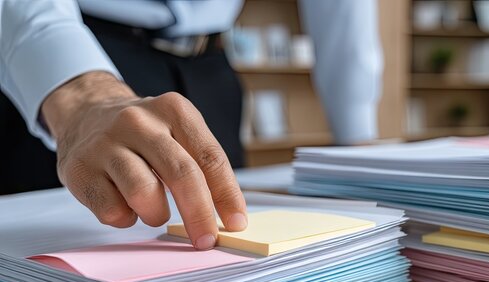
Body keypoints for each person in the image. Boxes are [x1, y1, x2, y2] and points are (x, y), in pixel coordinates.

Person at [0, 0, 383, 250]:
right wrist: (80, 93)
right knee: (50, 256)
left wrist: (356, 139)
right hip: (64, 53)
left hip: (211, 67)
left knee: (226, 245)